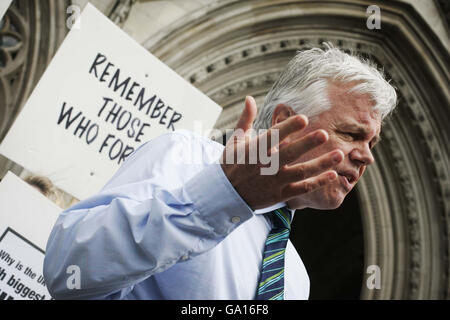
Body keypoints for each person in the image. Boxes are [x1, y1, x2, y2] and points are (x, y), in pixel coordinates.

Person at [43, 44, 397, 300]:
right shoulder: (186, 157)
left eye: (372, 143)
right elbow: (69, 269)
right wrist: (224, 196)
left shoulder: (295, 280)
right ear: (284, 122)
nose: (366, 156)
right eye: (351, 134)